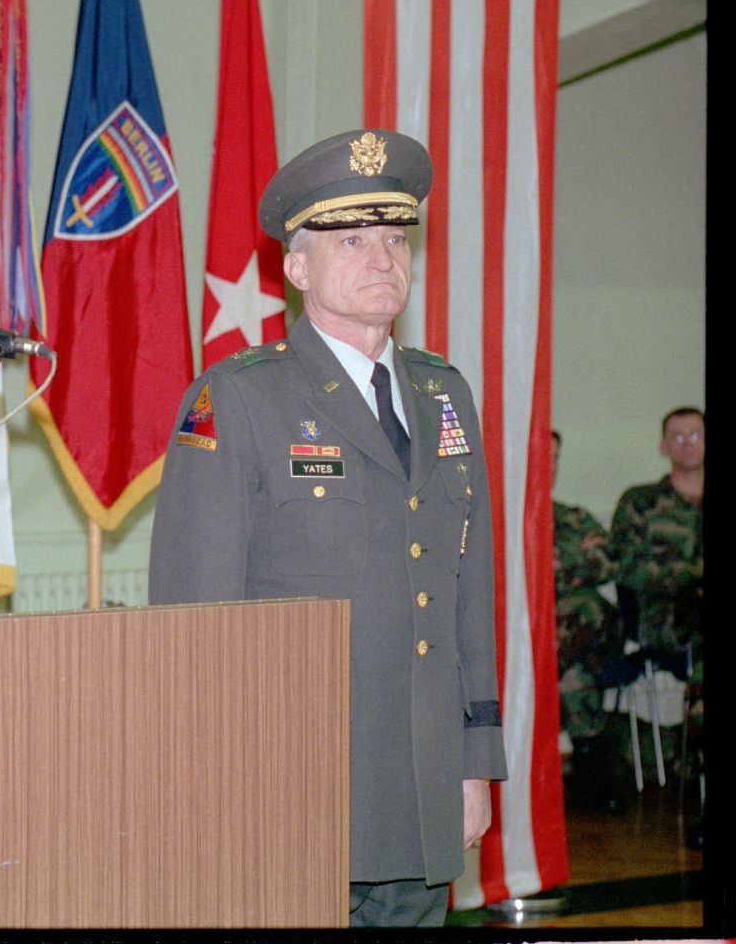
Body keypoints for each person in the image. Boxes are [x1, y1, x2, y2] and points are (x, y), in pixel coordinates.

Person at [148, 128, 507, 927]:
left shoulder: (445, 395)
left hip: (420, 789)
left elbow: (467, 597)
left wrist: (474, 763)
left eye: (394, 236)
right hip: (291, 790)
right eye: (352, 239)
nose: (383, 257)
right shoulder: (239, 399)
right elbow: (192, 617)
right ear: (297, 267)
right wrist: (211, 794)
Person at [610, 406, 703, 844]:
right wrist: (689, 576)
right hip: (665, 618)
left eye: (696, 434)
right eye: (677, 436)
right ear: (664, 447)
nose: (687, 443)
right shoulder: (641, 502)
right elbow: (627, 568)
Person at [550, 430, 625, 813]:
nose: (548, 466)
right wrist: (575, 566)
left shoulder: (572, 518)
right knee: (581, 667)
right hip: (516, 637)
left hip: (562, 639)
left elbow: (610, 562)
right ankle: (591, 766)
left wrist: (557, 567)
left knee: (589, 607)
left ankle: (588, 769)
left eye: (555, 457)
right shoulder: (496, 515)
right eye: (540, 456)